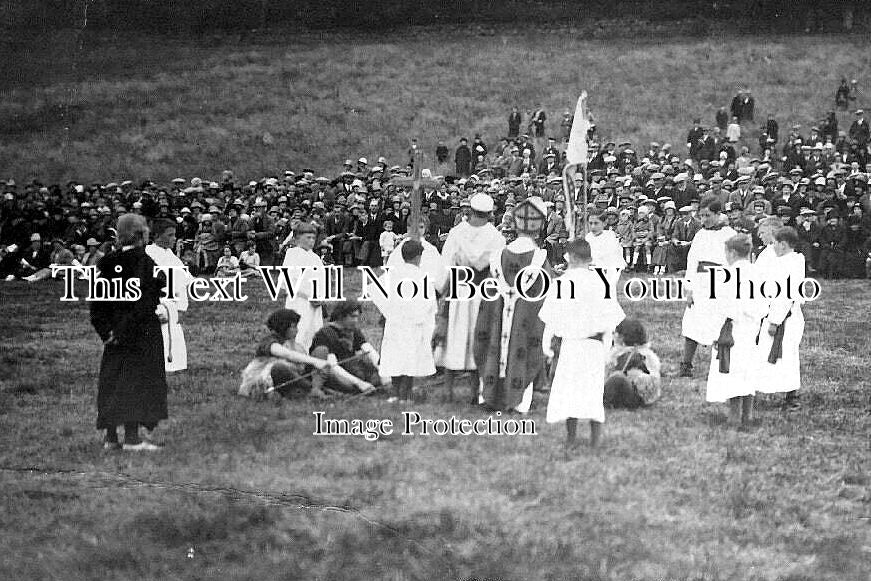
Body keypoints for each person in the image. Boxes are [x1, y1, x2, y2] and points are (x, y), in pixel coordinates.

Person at [90, 214, 167, 451]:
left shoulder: (107, 262)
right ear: (140, 235)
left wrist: (107, 332)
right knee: (136, 381)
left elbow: (97, 303)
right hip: (139, 333)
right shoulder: (143, 262)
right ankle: (132, 439)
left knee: (113, 381)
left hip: (113, 335)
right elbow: (145, 300)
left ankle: (111, 438)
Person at [540, 239, 625, 450]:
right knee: (592, 392)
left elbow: (550, 319)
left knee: (570, 391)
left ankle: (572, 438)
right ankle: (594, 439)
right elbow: (610, 322)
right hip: (592, 346)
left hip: (572, 346)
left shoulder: (562, 283)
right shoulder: (601, 282)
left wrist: (547, 346)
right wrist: (608, 347)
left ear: (571, 258)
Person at [475, 196, 552, 413]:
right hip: (525, 318)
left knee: (494, 343)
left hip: (499, 314)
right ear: (539, 227)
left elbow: (488, 292)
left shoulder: (499, 256)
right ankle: (518, 401)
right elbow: (545, 294)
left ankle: (489, 396)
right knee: (523, 347)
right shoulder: (539, 258)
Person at [433, 192, 505, 403]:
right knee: (477, 334)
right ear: (490, 214)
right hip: (483, 290)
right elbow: (498, 268)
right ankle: (475, 392)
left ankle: (448, 390)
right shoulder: (496, 236)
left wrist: (440, 288)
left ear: (470, 211)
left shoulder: (457, 233)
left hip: (459, 288)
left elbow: (446, 264)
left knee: (455, 333)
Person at [704, 234, 765, 425]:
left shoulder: (727, 276)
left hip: (732, 328)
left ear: (731, 252)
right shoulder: (757, 273)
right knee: (748, 369)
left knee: (732, 370)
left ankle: (734, 416)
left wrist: (714, 333)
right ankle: (748, 415)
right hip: (752, 328)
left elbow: (722, 308)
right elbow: (764, 304)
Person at [372, 240, 437, 403]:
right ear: (418, 257)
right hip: (413, 323)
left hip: (396, 322)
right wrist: (422, 317)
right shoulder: (422, 276)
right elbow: (429, 303)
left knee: (396, 356)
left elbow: (374, 290)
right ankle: (403, 394)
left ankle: (395, 393)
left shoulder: (392, 273)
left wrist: (389, 311)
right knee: (409, 357)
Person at [679, 197, 737, 377]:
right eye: (701, 216)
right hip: (700, 282)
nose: (704, 220)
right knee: (692, 323)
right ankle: (686, 365)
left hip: (721, 283)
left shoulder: (730, 234)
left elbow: (736, 263)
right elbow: (691, 262)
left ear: (719, 214)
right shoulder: (700, 234)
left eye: (708, 215)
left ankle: (720, 367)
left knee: (720, 324)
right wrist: (689, 287)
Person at [754, 227, 806, 411]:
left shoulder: (793, 263)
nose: (772, 246)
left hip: (785, 318)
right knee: (767, 354)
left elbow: (786, 295)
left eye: (774, 243)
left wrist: (775, 321)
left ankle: (793, 396)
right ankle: (761, 389)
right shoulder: (781, 261)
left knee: (788, 357)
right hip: (773, 314)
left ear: (783, 245)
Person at [238, 309, 335, 399]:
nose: (297, 330)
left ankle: (316, 389)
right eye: (293, 327)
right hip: (274, 382)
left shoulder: (292, 342)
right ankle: (317, 390)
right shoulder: (268, 341)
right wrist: (315, 361)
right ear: (283, 326)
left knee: (321, 350)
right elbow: (287, 354)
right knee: (278, 367)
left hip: (296, 377)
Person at [146, 218, 191, 373]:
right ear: (158, 236)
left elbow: (184, 280)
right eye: (170, 235)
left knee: (173, 336)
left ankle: (174, 365)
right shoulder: (148, 255)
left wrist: (181, 307)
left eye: (174, 235)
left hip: (173, 305)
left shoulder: (171, 256)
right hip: (156, 305)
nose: (174, 239)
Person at [310, 300, 380, 394]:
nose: (355, 320)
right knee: (350, 386)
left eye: (357, 317)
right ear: (341, 316)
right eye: (352, 316)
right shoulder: (325, 333)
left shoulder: (354, 331)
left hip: (350, 369)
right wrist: (359, 383)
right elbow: (333, 366)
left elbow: (369, 350)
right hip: (332, 372)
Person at [282, 222, 326, 351]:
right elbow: (288, 281)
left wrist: (321, 296)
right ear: (296, 239)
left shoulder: (315, 258)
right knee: (300, 331)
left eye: (313, 238)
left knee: (314, 331)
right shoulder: (292, 254)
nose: (311, 241)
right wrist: (308, 296)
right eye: (308, 237)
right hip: (299, 301)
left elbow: (322, 279)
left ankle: (312, 358)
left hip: (315, 303)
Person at [603, 318, 662, 409]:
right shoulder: (646, 353)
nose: (613, 335)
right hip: (642, 393)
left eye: (615, 333)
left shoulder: (628, 354)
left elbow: (612, 371)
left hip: (634, 395)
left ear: (622, 337)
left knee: (617, 378)